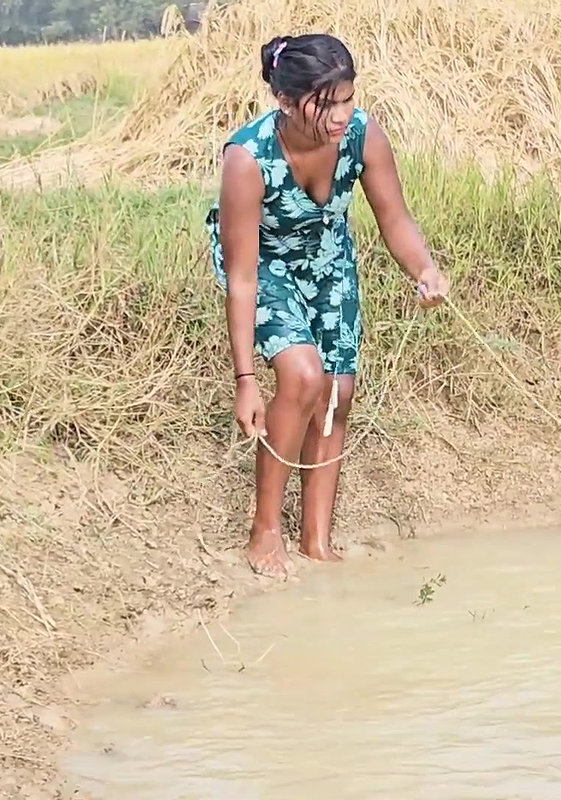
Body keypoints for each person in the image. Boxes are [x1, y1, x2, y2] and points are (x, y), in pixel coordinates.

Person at [206, 32, 449, 579]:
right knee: (302, 376)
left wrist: (424, 268)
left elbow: (395, 218)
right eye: (326, 103)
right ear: (287, 102)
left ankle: (317, 537)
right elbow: (242, 277)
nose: (341, 114)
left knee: (338, 390)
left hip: (328, 258)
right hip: (262, 264)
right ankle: (265, 529)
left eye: (347, 98)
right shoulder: (248, 157)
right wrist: (245, 377)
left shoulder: (363, 135)